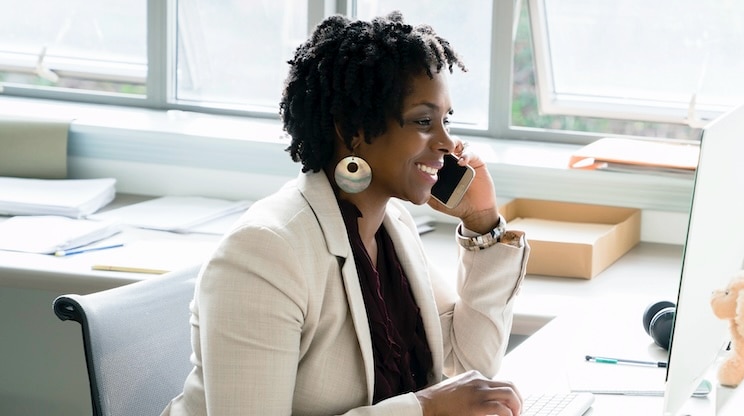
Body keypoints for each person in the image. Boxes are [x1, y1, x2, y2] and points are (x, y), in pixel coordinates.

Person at [164, 12, 529, 416]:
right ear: (353, 130)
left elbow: (467, 367)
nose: (447, 142)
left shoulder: (393, 230)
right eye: (425, 122)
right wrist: (423, 409)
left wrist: (481, 222)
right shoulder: (264, 253)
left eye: (446, 121)